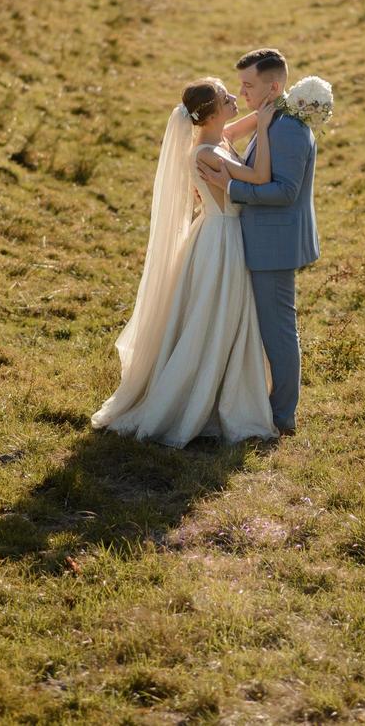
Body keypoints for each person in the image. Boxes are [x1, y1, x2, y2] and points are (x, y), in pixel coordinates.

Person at [90, 78, 281, 448]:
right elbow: (260, 177)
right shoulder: (207, 153)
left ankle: (221, 389)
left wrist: (278, 106)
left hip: (218, 234)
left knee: (223, 316)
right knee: (216, 316)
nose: (232, 98)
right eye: (226, 97)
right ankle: (198, 399)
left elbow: (249, 121)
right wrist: (266, 129)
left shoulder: (218, 139)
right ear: (210, 115)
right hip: (221, 240)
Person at [197, 48, 319, 436]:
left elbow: (284, 192)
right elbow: (224, 134)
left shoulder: (288, 129)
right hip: (258, 239)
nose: (242, 92)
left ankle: (282, 417)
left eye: (249, 85)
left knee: (278, 330)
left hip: (274, 246)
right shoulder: (273, 118)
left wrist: (230, 188)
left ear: (274, 86)